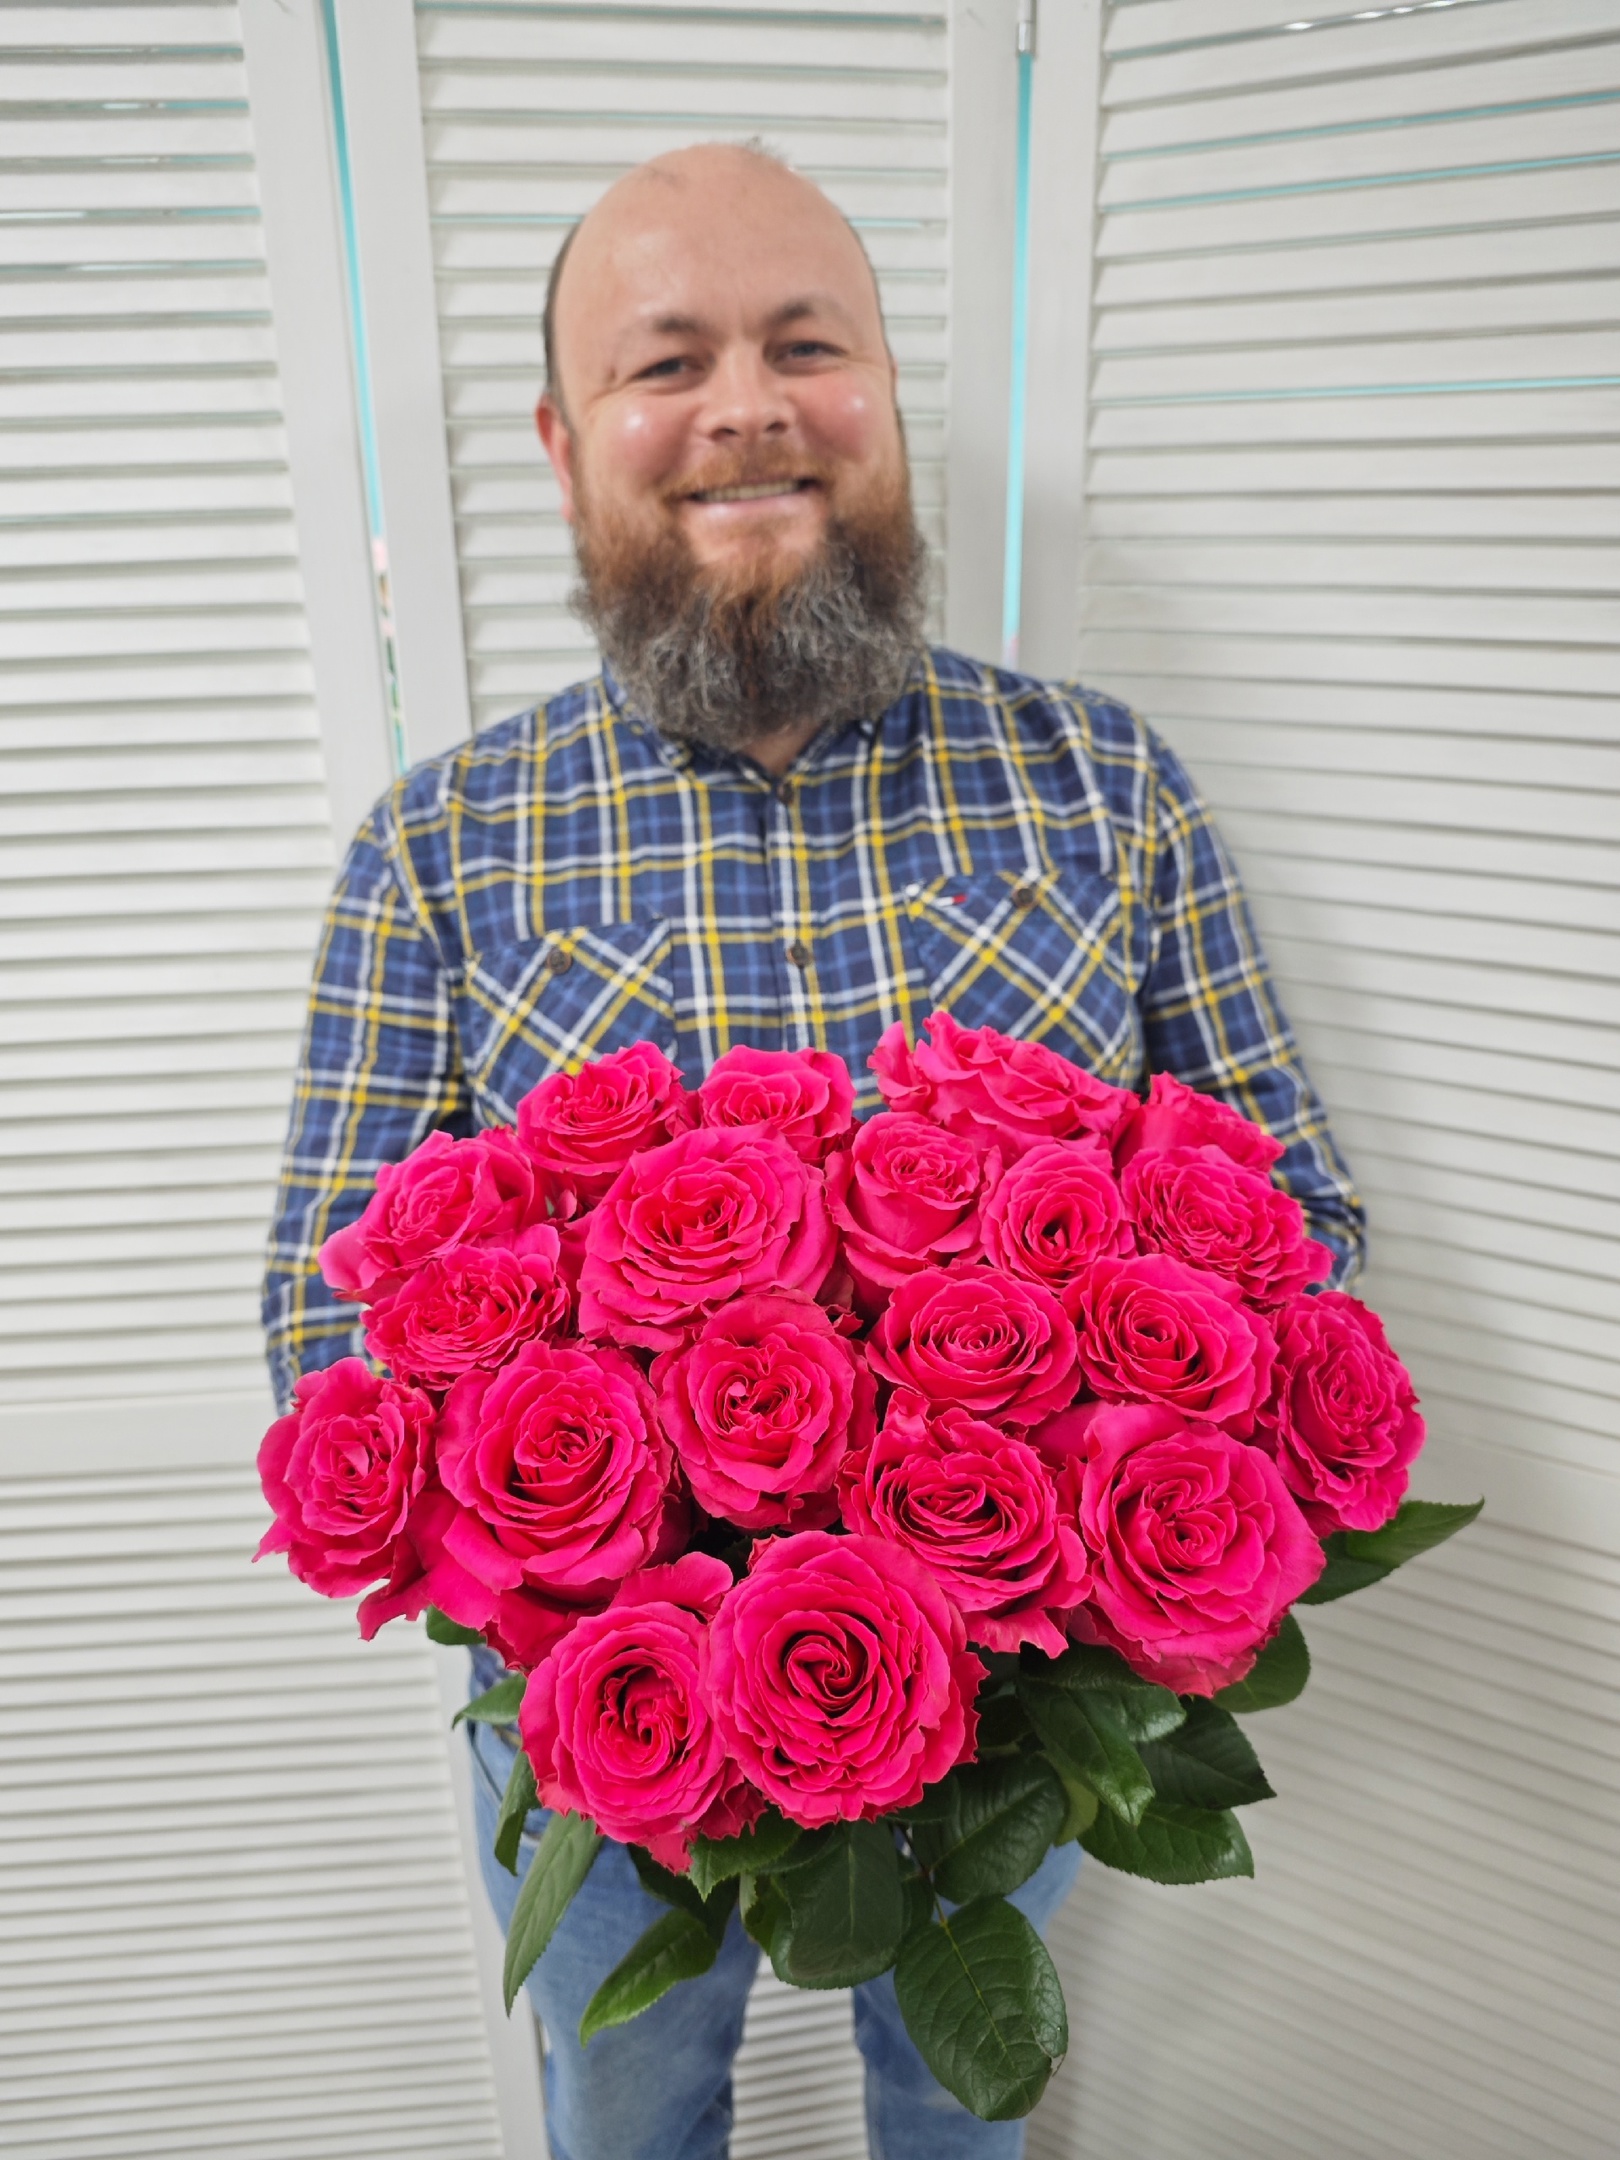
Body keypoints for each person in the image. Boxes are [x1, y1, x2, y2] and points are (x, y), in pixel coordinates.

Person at [264, 142, 1363, 2160]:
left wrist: (1096, 1515)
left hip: (1014, 1704)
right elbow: (316, 1326)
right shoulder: (438, 848)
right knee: (627, 2104)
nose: (749, 408)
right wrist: (587, 1550)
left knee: (958, 2104)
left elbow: (1297, 1220)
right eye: (666, 362)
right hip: (604, 1739)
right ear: (566, 444)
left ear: (883, 402)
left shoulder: (1104, 785)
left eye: (806, 346)